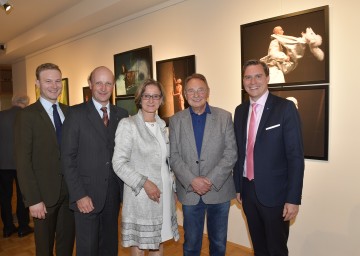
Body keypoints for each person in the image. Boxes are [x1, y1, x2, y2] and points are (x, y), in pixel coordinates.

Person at [233, 59, 305, 256]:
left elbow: (296, 157)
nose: (252, 81)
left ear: (267, 78)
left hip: (276, 195)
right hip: (247, 191)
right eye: (248, 77)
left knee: (276, 249)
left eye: (258, 76)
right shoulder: (239, 111)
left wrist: (293, 198)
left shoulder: (285, 108)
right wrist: (238, 186)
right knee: (259, 247)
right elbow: (240, 152)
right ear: (243, 81)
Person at [61, 66, 128, 255]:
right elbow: (67, 159)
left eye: (108, 83)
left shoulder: (121, 114)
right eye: (99, 82)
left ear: (113, 86)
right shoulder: (75, 115)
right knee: (88, 249)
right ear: (90, 84)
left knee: (109, 247)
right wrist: (79, 195)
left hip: (113, 195)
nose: (103, 87)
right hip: (86, 196)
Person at [169, 73, 237, 256]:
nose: (196, 94)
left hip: (218, 190)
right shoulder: (176, 120)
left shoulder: (224, 117)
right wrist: (193, 180)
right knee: (191, 245)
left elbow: (231, 153)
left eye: (200, 90)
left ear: (208, 92)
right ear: (184, 94)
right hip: (190, 192)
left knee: (218, 244)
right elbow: (173, 156)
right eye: (191, 90)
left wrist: (209, 180)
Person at [112, 79, 179, 256]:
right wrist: (145, 183)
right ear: (139, 99)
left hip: (163, 195)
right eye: (146, 96)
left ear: (161, 99)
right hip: (140, 196)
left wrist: (173, 188)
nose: (151, 100)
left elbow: (167, 162)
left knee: (159, 240)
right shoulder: (128, 125)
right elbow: (118, 163)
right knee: (140, 247)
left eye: (155, 96)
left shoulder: (162, 126)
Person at [14, 63, 75, 255]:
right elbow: (23, 162)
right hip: (43, 197)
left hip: (70, 194)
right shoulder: (27, 115)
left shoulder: (69, 112)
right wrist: (33, 199)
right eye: (48, 81)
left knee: (66, 246)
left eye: (58, 81)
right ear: (37, 83)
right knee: (44, 249)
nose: (54, 85)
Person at [0, 95, 33, 238]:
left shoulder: (1, 115)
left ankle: (7, 228)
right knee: (23, 196)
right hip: (22, 163)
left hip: (2, 164)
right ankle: (23, 226)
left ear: (13, 102)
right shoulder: (27, 115)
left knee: (5, 197)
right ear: (25, 103)